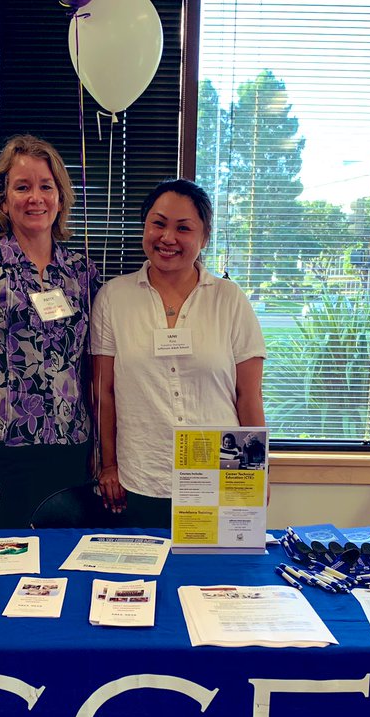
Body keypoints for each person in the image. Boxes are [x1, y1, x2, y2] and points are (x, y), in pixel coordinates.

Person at [92, 179, 266, 528]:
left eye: (183, 228)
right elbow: (103, 393)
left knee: (217, 581)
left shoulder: (229, 299)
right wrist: (108, 464)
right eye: (158, 224)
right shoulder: (114, 297)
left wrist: (256, 473)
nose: (167, 238)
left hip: (223, 472)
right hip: (141, 475)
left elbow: (249, 395)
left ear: (203, 238)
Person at [0, 135, 99, 528]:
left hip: (69, 453)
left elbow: (93, 370)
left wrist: (100, 452)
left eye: (46, 186)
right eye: (23, 187)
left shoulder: (81, 272)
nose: (36, 198)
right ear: (3, 199)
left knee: (64, 574)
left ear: (60, 197)